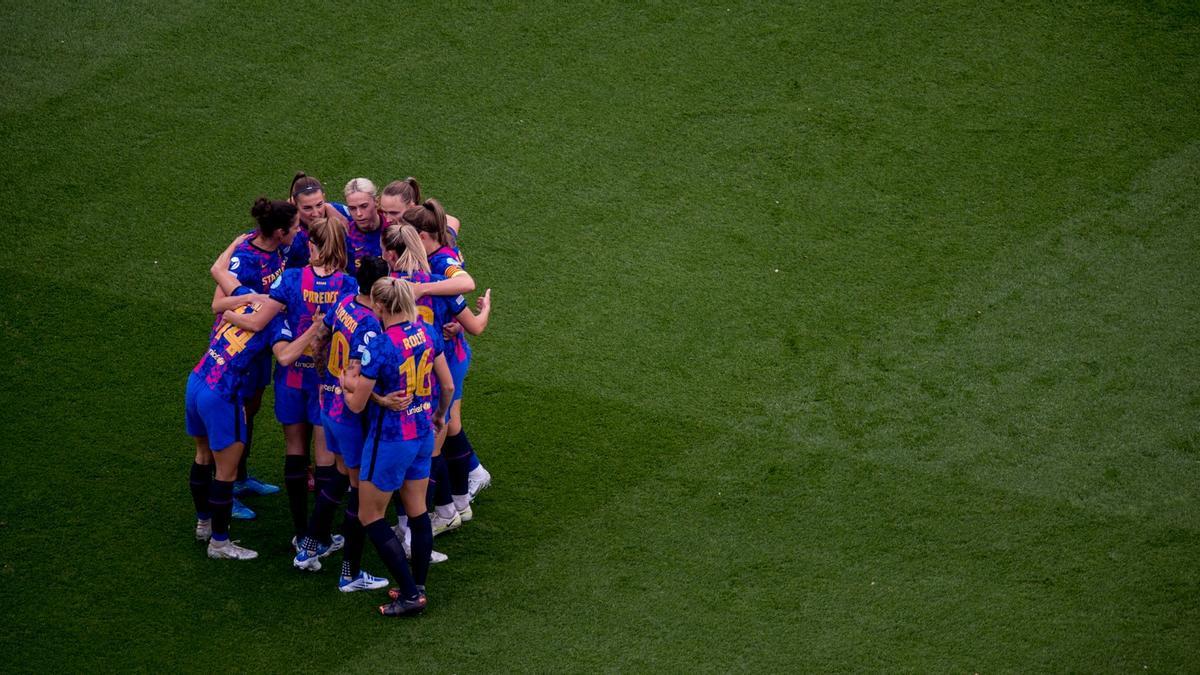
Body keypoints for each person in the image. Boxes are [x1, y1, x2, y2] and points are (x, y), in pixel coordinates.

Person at [224, 216, 357, 551]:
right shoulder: (348, 285)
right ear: (340, 247)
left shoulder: (292, 277)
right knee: (326, 459)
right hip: (328, 381)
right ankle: (321, 534)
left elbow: (261, 318)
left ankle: (300, 533)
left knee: (294, 450)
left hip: (291, 377)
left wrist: (228, 312)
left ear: (313, 245)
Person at [186, 285, 326, 560]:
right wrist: (313, 329)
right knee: (226, 472)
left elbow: (218, 290)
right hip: (223, 393)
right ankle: (219, 543)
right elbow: (285, 357)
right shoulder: (277, 322)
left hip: (198, 379)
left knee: (203, 457)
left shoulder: (248, 298)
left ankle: (203, 524)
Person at [342, 277, 453, 616]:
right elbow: (446, 385)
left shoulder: (380, 345)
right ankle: (417, 584)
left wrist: (345, 382)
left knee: (369, 514)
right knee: (417, 509)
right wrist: (438, 415)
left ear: (378, 306)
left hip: (390, 439)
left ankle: (409, 595)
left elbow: (356, 405)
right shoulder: (428, 333)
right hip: (422, 433)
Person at [382, 223, 492, 535]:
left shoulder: (386, 288)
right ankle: (452, 506)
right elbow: (475, 326)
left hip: (404, 379)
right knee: (431, 448)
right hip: (437, 372)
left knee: (415, 455)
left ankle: (422, 523)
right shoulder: (439, 283)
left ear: (391, 254)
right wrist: (486, 310)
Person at [208, 198, 301, 518]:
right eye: (295, 227)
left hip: (260, 349)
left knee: (249, 413)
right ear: (278, 232)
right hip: (239, 352)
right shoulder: (245, 258)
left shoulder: (269, 244)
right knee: (232, 422)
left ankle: (241, 479)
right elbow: (219, 305)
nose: (298, 231)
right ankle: (224, 488)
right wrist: (255, 305)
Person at [285, 172, 351, 270]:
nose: (315, 214)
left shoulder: (340, 211)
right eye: (307, 208)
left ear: (324, 198)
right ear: (295, 205)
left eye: (319, 205)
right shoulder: (288, 233)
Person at [342, 178, 385, 273]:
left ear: (376, 202)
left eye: (364, 206)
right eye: (352, 208)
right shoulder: (345, 234)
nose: (358, 214)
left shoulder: (391, 228)